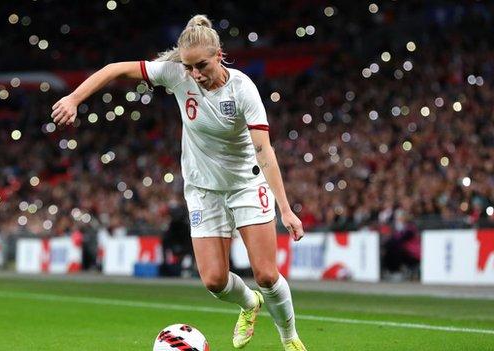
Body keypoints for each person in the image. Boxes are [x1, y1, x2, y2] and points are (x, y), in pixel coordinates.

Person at [52, 14, 307, 351]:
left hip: (246, 184)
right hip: (203, 190)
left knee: (266, 275)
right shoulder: (176, 74)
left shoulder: (243, 89)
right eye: (188, 67)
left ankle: (289, 339)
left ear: (218, 55)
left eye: (201, 65)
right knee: (214, 281)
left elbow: (264, 151)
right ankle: (249, 304)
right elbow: (114, 69)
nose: (194, 74)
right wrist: (74, 99)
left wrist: (285, 210)